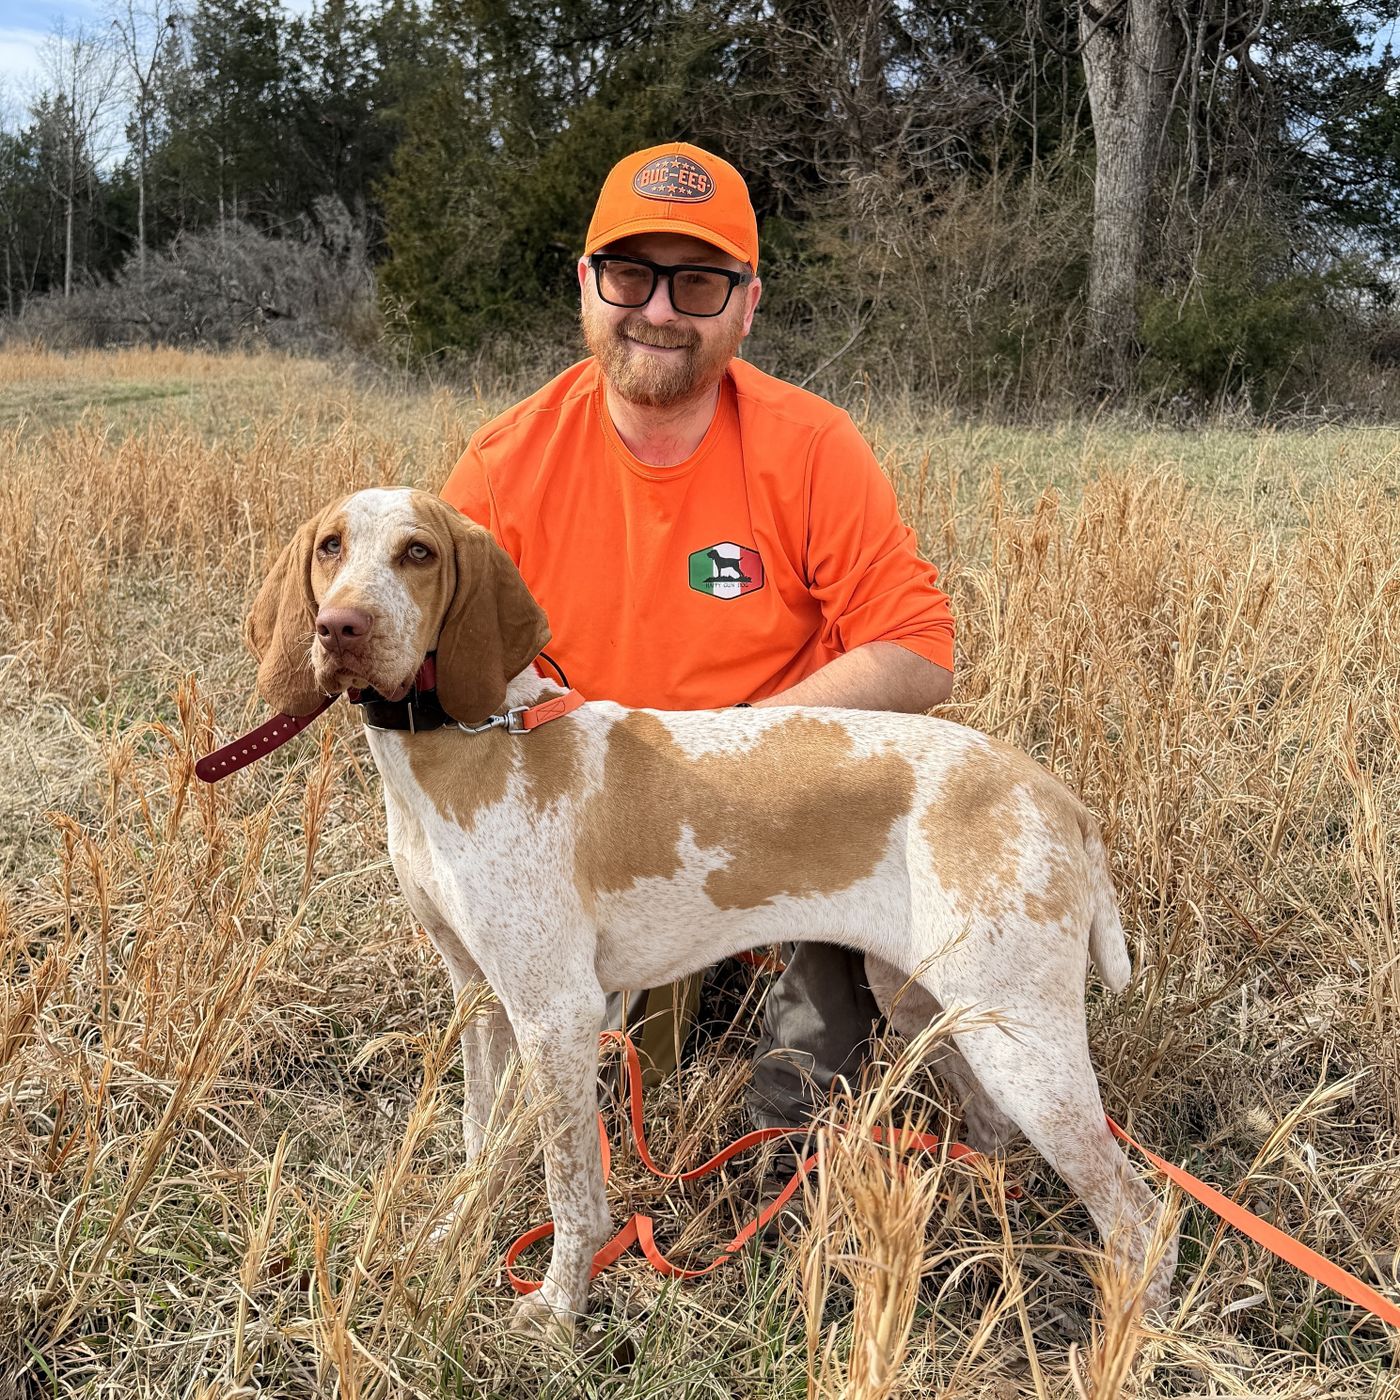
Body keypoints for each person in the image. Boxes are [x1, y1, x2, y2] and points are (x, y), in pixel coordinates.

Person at [440, 141, 954, 1136]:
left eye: (699, 282)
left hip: (777, 811)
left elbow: (918, 648)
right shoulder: (505, 464)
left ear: (746, 305)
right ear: (585, 286)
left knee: (799, 1127)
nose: (660, 309)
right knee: (587, 1099)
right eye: (631, 275)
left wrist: (734, 747)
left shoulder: (810, 446)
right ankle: (662, 1018)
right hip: (599, 826)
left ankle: (803, 1107)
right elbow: (448, 662)